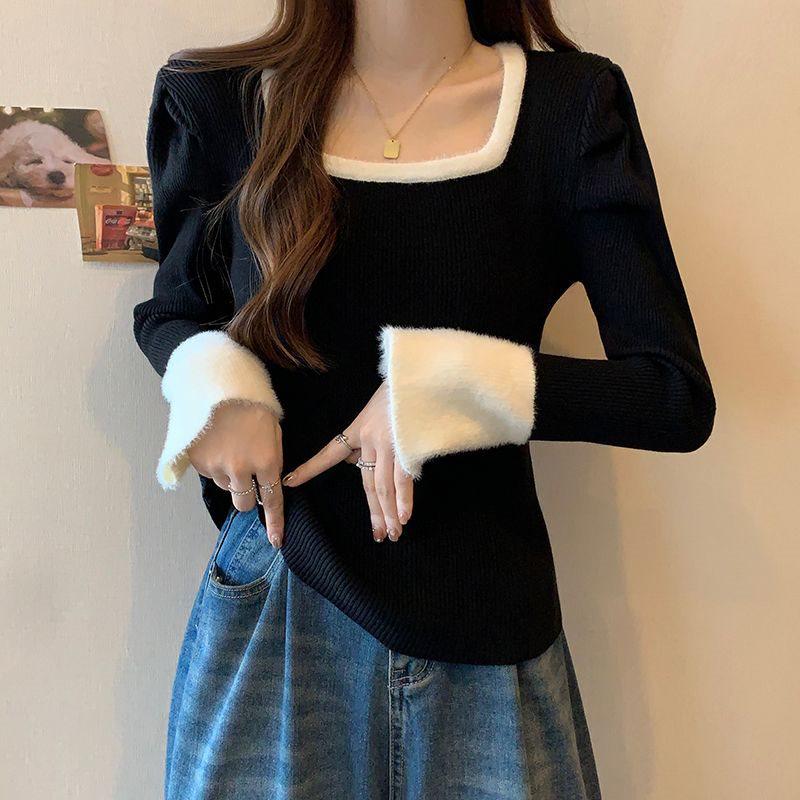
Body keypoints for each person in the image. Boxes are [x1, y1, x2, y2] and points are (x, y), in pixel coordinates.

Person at [132, 1, 716, 798]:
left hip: (489, 619)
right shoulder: (222, 104)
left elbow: (672, 393)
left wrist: (449, 386)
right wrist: (216, 383)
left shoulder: (569, 111)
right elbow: (174, 310)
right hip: (283, 597)